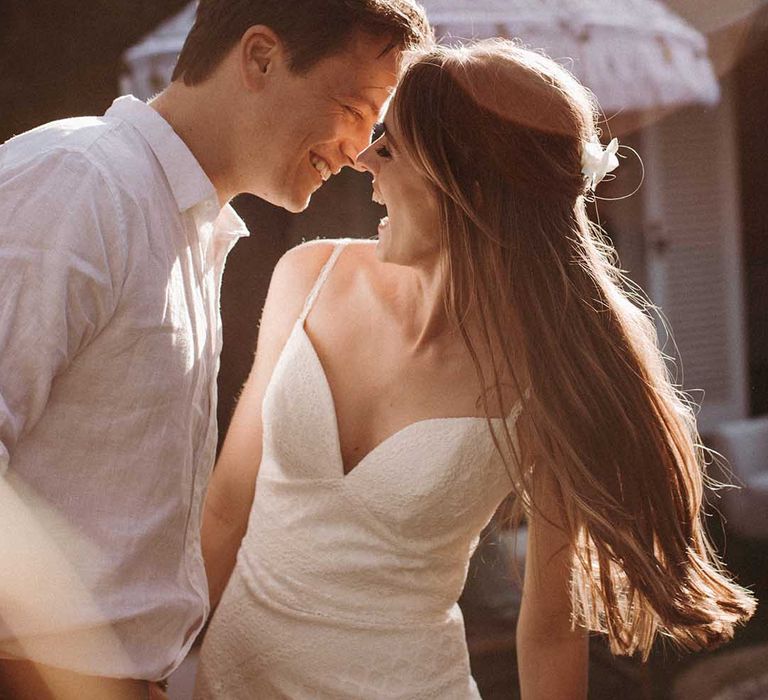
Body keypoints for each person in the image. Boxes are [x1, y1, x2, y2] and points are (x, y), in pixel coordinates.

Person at [195, 39, 756, 699]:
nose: (363, 160)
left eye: (393, 146)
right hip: (229, 678)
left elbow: (550, 630)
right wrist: (159, 663)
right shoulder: (307, 277)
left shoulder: (546, 376)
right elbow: (228, 508)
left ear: (468, 184)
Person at [0, 1, 431, 698]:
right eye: (354, 108)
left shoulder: (191, 228)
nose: (359, 152)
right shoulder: (79, 182)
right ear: (259, 57)